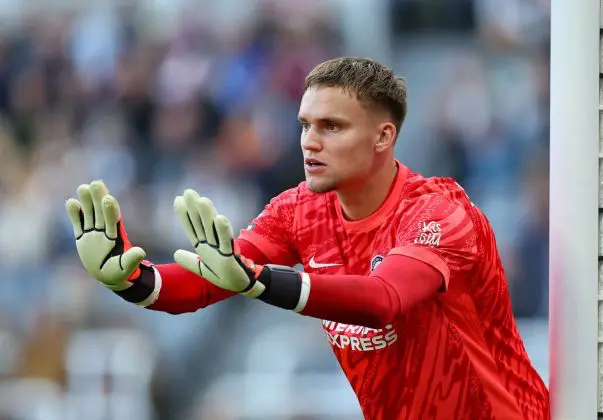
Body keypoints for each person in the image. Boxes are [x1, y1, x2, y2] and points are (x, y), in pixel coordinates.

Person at [66, 57, 550, 420]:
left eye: (331, 127)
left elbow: (384, 300)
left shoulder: (439, 211)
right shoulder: (298, 210)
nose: (309, 142)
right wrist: (132, 278)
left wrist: (260, 283)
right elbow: (210, 280)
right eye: (304, 125)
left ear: (383, 137)